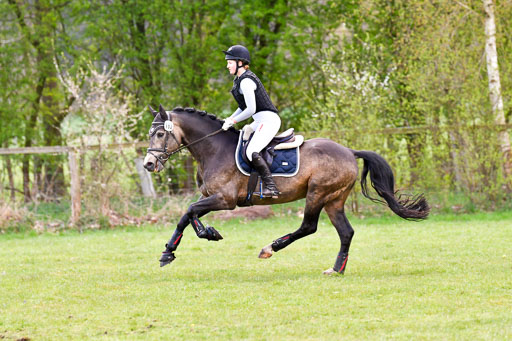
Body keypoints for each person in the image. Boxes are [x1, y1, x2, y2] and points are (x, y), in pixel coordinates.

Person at [222, 45, 281, 198]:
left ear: (239, 62)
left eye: (229, 62)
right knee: (244, 136)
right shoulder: (240, 80)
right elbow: (242, 107)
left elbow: (251, 109)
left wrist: (233, 120)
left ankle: (271, 187)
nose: (227, 65)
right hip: (260, 120)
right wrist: (229, 119)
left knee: (251, 151)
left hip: (268, 121)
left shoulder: (246, 82)